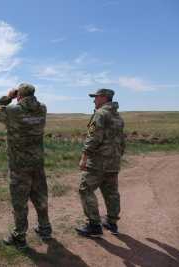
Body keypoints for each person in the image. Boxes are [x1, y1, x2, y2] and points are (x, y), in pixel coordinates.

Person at [0, 83, 52, 249]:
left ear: (20, 96)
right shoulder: (42, 109)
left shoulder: (14, 111)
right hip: (37, 163)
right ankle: (45, 228)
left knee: (20, 202)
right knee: (40, 197)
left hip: (19, 166)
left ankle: (19, 236)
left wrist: (8, 97)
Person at [75, 88, 126, 237]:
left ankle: (94, 225)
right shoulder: (118, 117)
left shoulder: (100, 114)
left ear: (104, 98)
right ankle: (112, 223)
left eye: (96, 97)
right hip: (113, 162)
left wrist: (84, 157)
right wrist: (117, 157)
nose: (94, 100)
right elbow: (122, 141)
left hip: (98, 162)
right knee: (111, 192)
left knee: (85, 189)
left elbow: (93, 138)